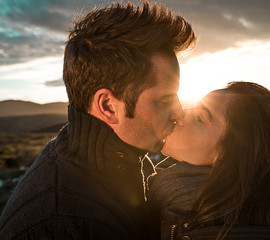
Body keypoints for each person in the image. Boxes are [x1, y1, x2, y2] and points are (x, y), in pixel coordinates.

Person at [0, 2, 196, 239]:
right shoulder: (64, 221)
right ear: (108, 106)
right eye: (164, 101)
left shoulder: (124, 160)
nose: (179, 112)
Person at [149, 81, 270, 240]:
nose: (181, 114)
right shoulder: (169, 201)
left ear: (231, 155)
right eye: (193, 105)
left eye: (201, 118)